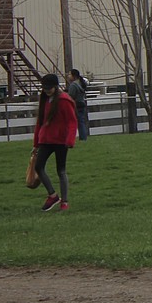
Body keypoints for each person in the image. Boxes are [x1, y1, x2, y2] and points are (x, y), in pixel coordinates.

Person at [33, 73, 77, 212]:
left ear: (55, 86)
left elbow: (72, 121)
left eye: (49, 88)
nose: (46, 90)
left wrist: (70, 140)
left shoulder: (64, 100)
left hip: (60, 141)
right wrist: (36, 143)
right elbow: (40, 121)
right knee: (38, 166)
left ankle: (64, 201)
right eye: (44, 88)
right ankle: (52, 195)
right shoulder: (44, 99)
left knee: (61, 170)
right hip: (46, 139)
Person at [65, 69, 90, 141]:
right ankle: (83, 137)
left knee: (71, 122)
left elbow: (71, 96)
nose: (68, 76)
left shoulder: (73, 85)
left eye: (70, 74)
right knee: (81, 122)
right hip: (81, 104)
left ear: (74, 76)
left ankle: (70, 138)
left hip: (75, 105)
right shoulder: (80, 83)